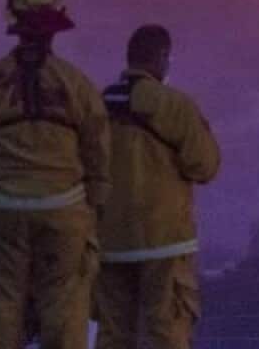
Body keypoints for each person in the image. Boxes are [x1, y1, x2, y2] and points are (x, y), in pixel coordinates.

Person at [0, 0, 110, 349]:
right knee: (66, 304)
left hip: (0, 209)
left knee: (0, 303)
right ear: (55, 27)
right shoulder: (77, 86)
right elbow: (98, 155)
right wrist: (96, 209)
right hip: (65, 209)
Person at [94, 24, 221, 349]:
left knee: (113, 335)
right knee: (168, 332)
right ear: (162, 57)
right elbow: (205, 166)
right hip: (166, 241)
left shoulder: (97, 107)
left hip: (109, 241)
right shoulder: (174, 105)